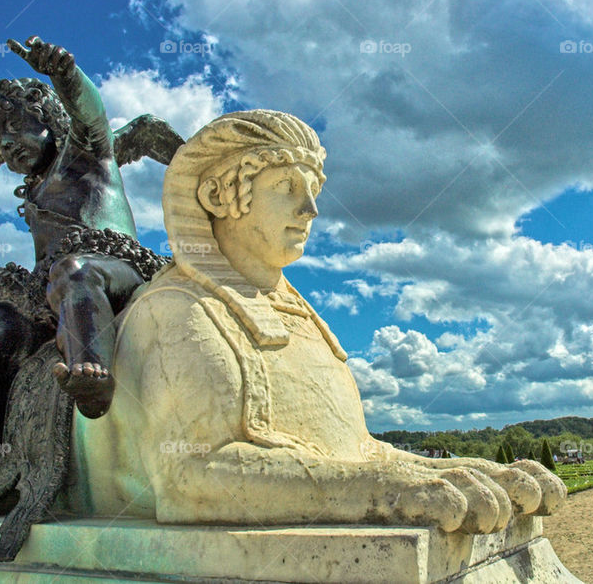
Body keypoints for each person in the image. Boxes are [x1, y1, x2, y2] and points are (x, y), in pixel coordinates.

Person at [77, 110, 565, 531]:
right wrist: (387, 492)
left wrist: (475, 469)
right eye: (286, 186)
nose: (309, 210)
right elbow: (190, 481)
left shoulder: (300, 318)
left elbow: (356, 453)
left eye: (313, 191)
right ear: (217, 196)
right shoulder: (175, 312)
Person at [0, 37, 163, 510]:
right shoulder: (36, 190)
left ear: (48, 118)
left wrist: (65, 75)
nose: (5, 143)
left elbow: (90, 110)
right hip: (55, 291)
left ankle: (93, 373)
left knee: (75, 271)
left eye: (14, 126)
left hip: (114, 270)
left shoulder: (87, 152)